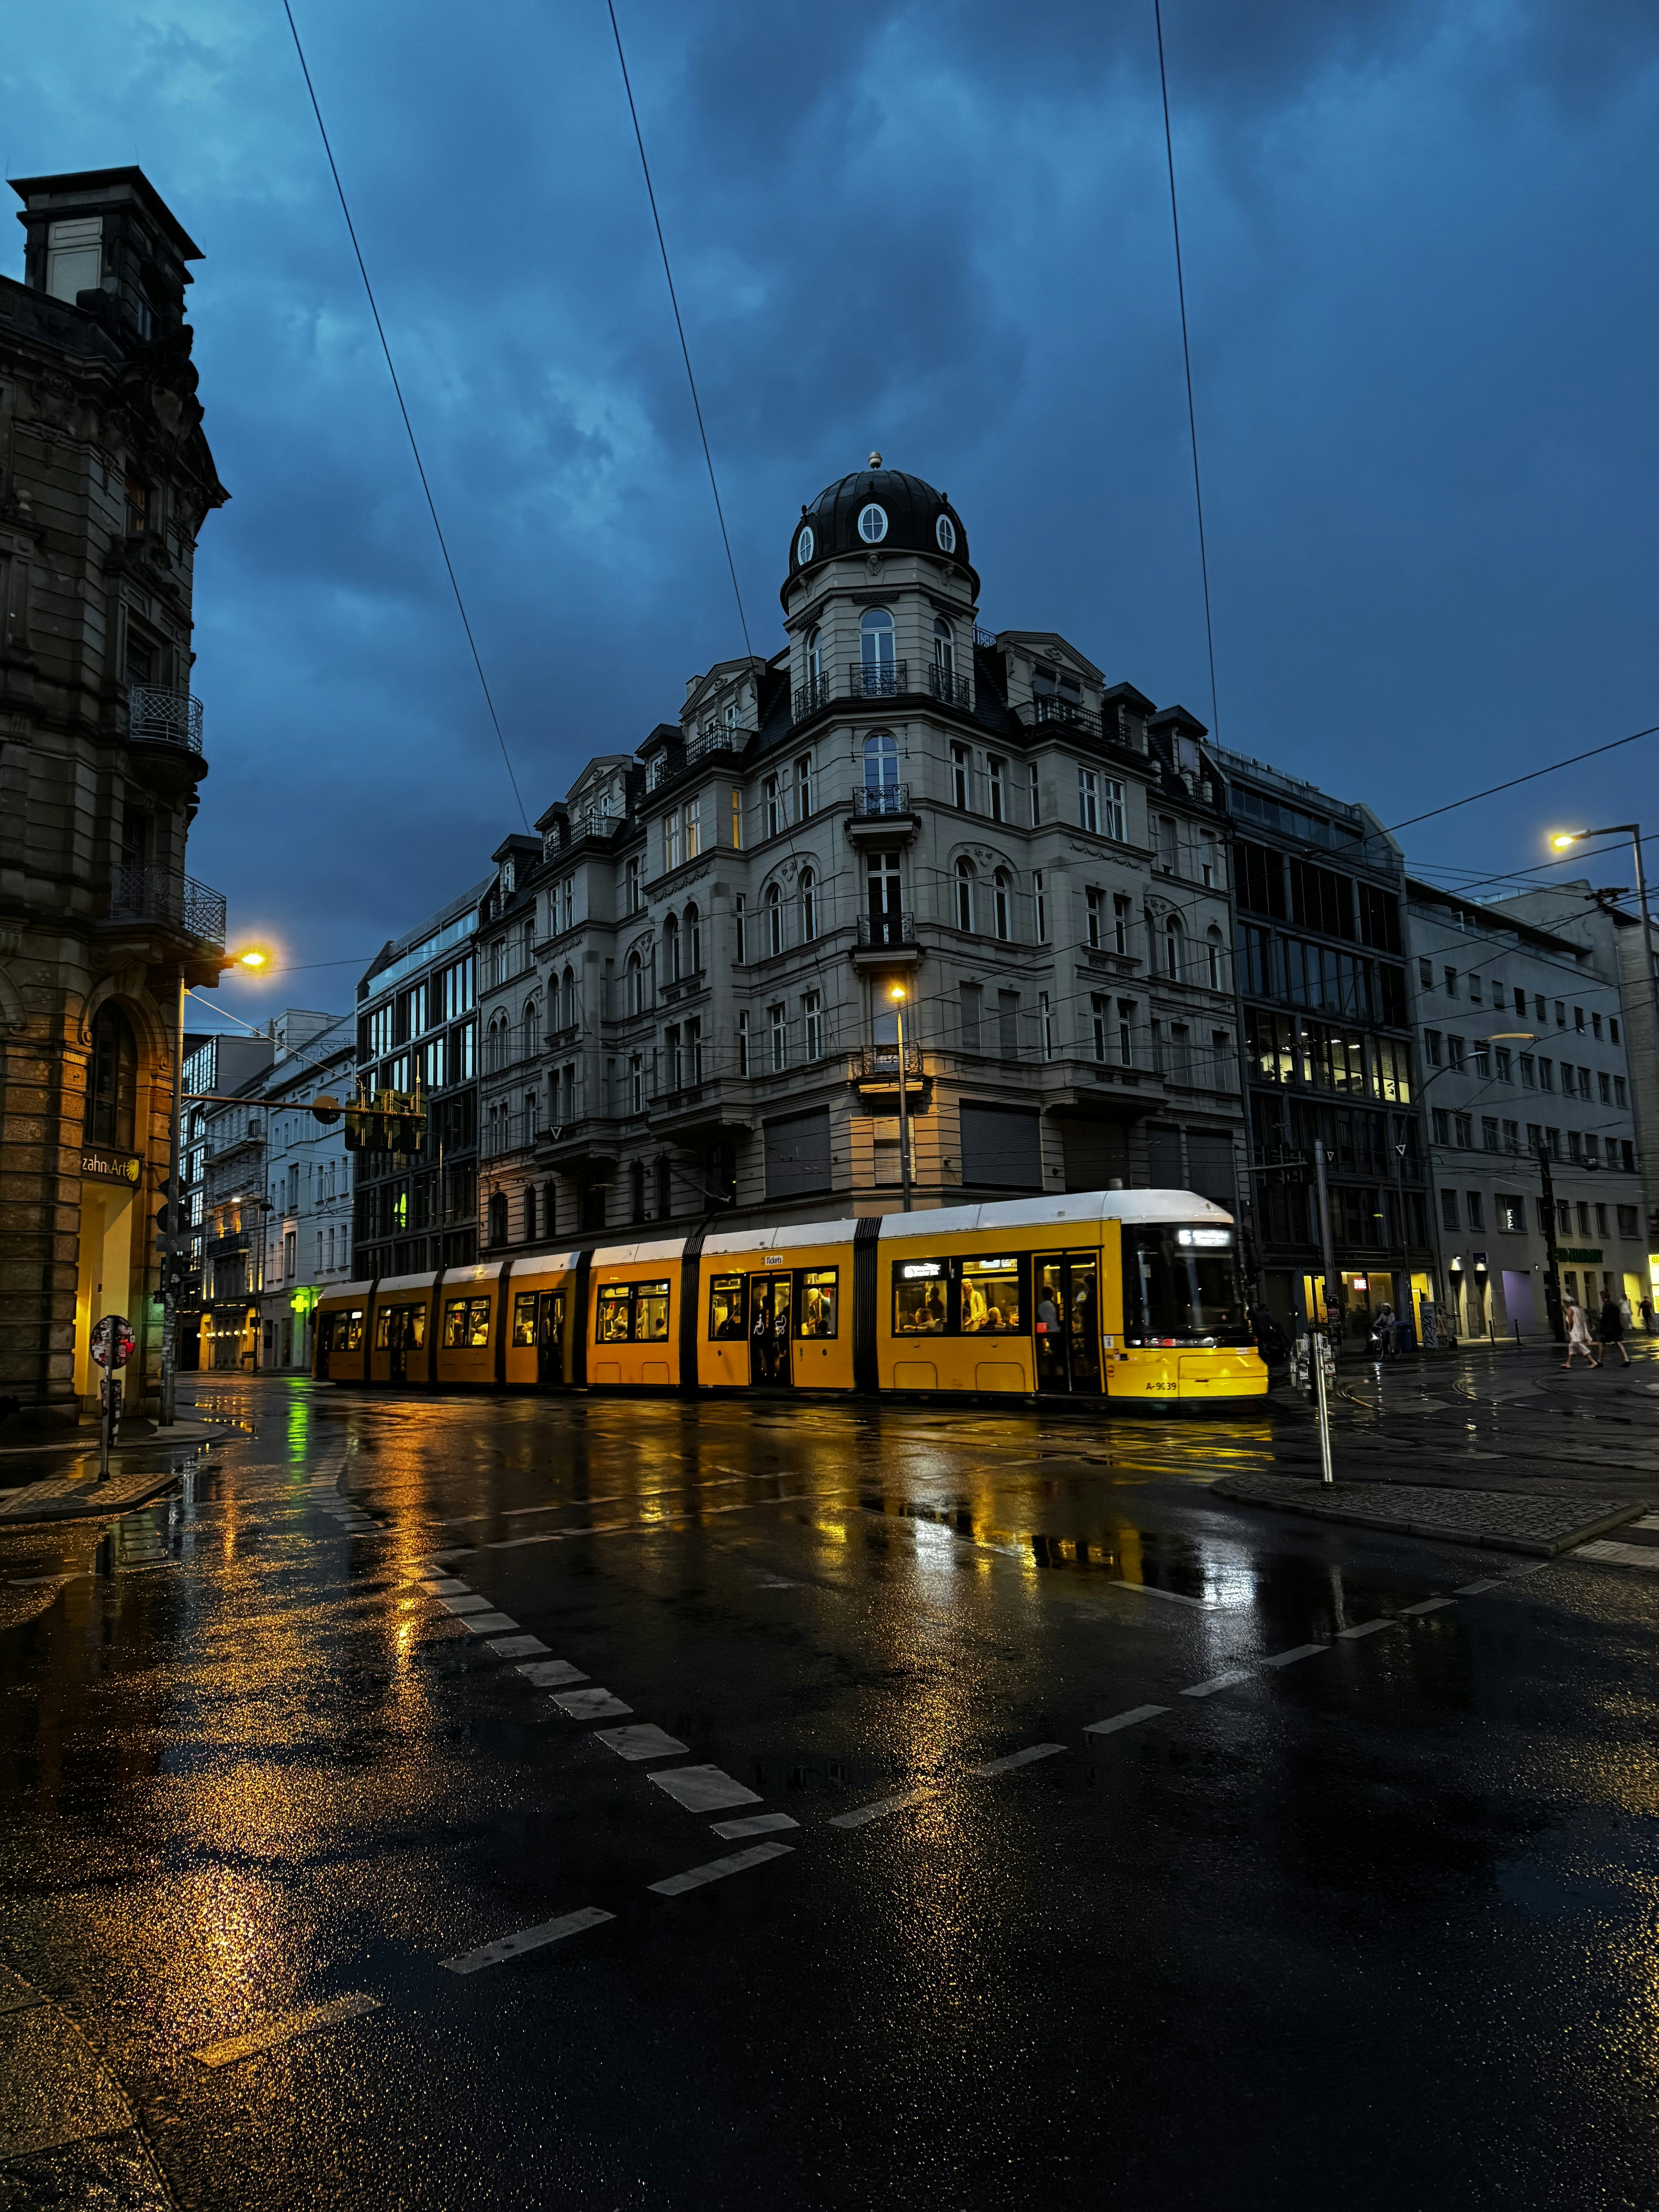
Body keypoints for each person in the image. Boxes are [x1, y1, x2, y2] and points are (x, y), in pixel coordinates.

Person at [1562, 1296, 1600, 1371]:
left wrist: (1569, 1330)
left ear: (1567, 1303)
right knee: (1572, 1347)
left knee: (1580, 1346)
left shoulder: (1570, 1310)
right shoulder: (1577, 1309)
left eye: (1564, 1303)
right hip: (1579, 1330)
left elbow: (1571, 1322)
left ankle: (1593, 1362)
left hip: (1574, 1331)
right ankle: (1568, 1363)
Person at [1599, 1291, 1631, 1368]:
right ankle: (1626, 1359)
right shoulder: (1613, 1305)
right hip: (1615, 1327)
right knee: (1618, 1343)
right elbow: (1617, 1313)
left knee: (1602, 1343)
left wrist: (1601, 1321)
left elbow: (1605, 1317)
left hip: (1609, 1329)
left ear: (1603, 1298)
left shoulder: (1606, 1306)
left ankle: (1599, 1361)